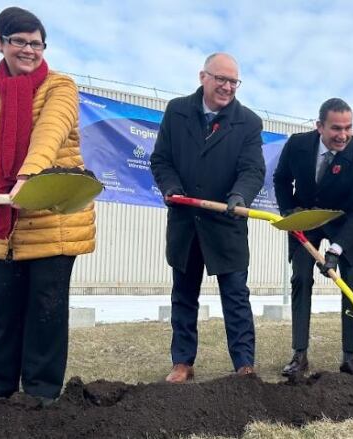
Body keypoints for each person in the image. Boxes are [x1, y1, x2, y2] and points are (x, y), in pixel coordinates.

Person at [0, 7, 95, 405]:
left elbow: (50, 133)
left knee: (45, 307)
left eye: (36, 43)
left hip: (54, 212)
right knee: (5, 306)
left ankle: (40, 391)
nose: (29, 50)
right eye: (19, 41)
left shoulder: (61, 86)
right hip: (7, 216)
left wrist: (27, 177)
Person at [150, 53, 265, 383]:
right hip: (186, 223)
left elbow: (253, 169)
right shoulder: (177, 112)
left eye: (233, 82)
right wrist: (171, 187)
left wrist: (239, 195)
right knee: (184, 295)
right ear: (203, 76)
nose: (228, 87)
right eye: (221, 79)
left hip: (226, 224)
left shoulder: (248, 122)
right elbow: (161, 160)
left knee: (235, 296)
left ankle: (244, 364)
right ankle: (182, 363)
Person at [273, 98, 353, 375]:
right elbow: (281, 179)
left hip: (345, 225)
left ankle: (350, 356)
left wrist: (337, 249)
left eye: (348, 127)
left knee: (352, 281)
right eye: (336, 128)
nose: (343, 135)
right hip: (305, 220)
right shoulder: (297, 145)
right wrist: (289, 212)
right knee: (301, 278)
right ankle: (299, 355)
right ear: (320, 126)